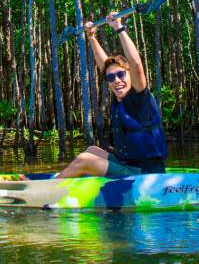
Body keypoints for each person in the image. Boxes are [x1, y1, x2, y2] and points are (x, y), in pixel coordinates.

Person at [56, 12, 168, 179]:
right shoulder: (118, 97)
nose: (117, 80)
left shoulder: (139, 97)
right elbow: (104, 65)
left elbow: (136, 64)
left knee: (84, 160)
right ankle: (63, 177)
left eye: (121, 75)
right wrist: (92, 38)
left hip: (145, 175)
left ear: (130, 75)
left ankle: (50, 187)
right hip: (128, 166)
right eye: (111, 78)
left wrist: (119, 27)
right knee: (91, 151)